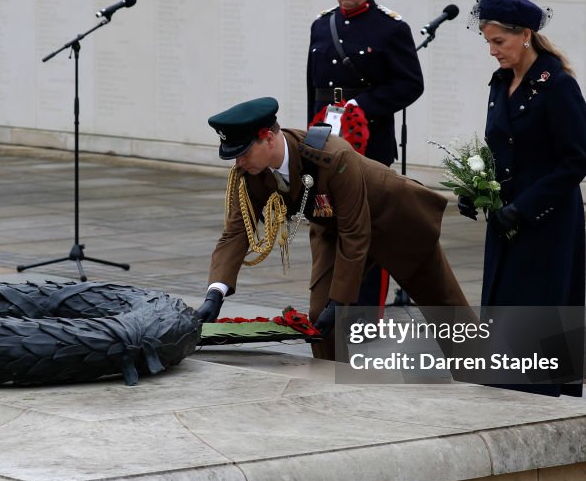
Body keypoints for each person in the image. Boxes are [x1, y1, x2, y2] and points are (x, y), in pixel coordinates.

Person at [195, 96, 469, 362]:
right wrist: (215, 294)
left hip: (394, 220)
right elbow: (236, 231)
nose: (238, 163)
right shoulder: (252, 172)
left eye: (242, 153)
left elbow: (356, 232)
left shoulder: (332, 155)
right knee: (320, 315)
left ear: (267, 137)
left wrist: (340, 301)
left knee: (446, 309)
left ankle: (485, 375)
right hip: (333, 225)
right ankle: (331, 383)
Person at [461, 0, 586, 396]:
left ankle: (538, 399)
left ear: (526, 35)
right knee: (504, 307)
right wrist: (474, 189)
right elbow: (495, 147)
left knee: (537, 308)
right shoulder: (501, 83)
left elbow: (575, 162)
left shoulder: (558, 86)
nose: (492, 51)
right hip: (505, 217)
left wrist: (525, 208)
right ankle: (504, 391)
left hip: (546, 221)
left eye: (498, 41)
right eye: (487, 41)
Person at [306, 0, 425, 309]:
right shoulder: (320, 25)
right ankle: (326, 301)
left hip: (367, 143)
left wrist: (363, 107)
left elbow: (410, 84)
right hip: (326, 140)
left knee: (366, 229)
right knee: (326, 223)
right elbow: (313, 88)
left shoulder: (390, 28)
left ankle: (365, 308)